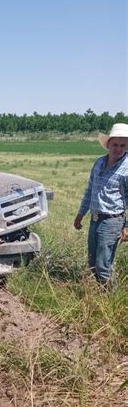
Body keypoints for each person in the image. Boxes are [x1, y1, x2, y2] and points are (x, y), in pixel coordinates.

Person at [74, 122, 128, 285]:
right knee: (92, 263)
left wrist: (127, 226)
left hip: (112, 221)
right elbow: (90, 190)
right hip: (95, 219)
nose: (118, 149)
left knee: (103, 266)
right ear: (108, 144)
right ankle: (99, 296)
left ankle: (111, 300)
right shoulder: (99, 163)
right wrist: (80, 214)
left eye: (123, 145)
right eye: (115, 144)